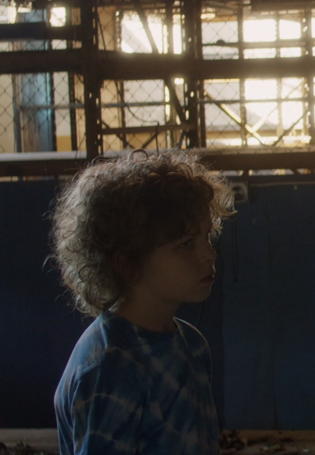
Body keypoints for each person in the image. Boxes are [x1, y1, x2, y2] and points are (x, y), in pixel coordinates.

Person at [50, 149, 234, 455]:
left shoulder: (192, 344)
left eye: (207, 236)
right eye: (185, 244)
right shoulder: (111, 367)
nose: (209, 254)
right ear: (126, 263)